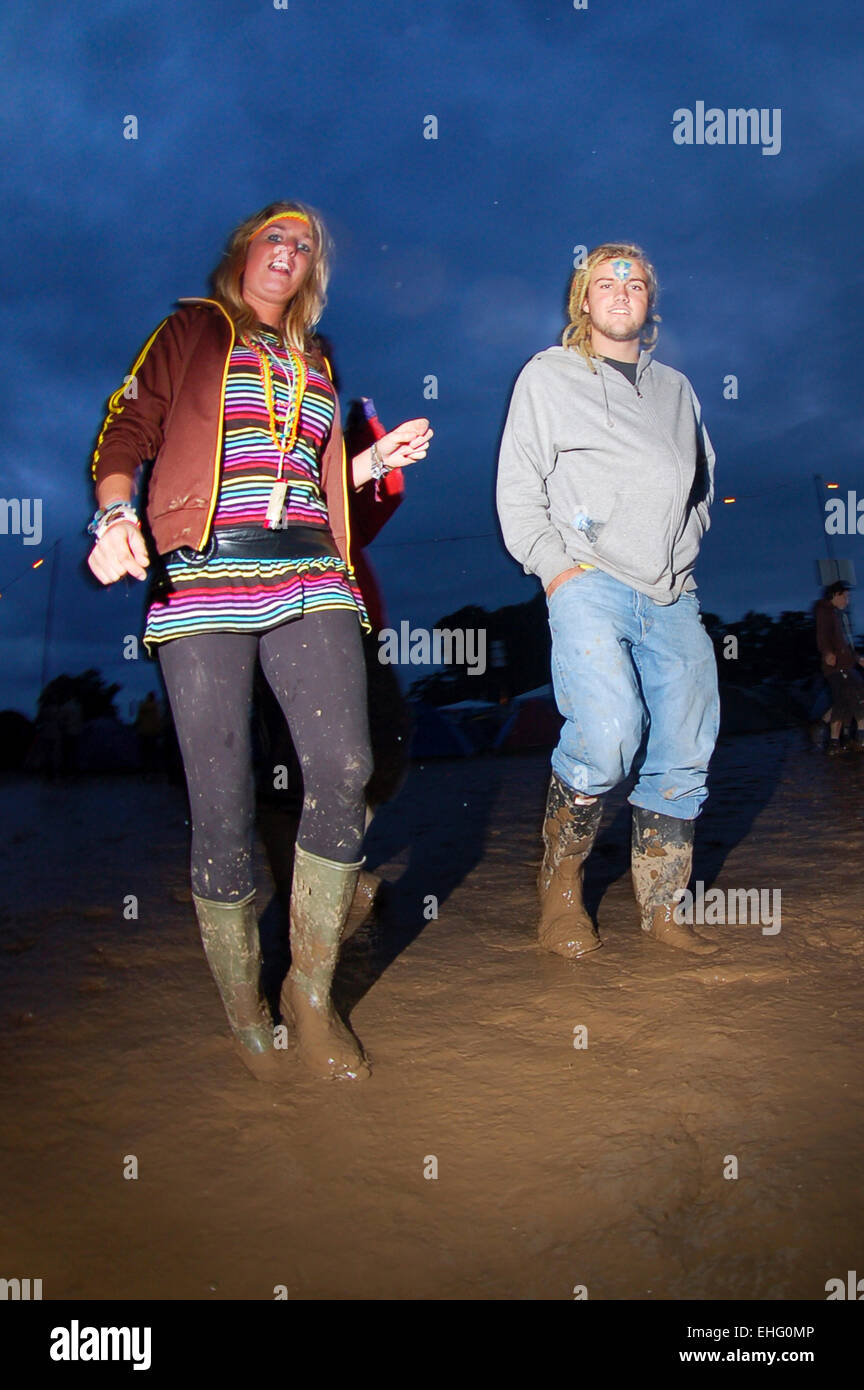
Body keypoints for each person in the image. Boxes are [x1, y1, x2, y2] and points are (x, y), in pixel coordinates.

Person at [87, 201, 432, 1081]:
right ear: (244, 252)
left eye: (305, 243)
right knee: (223, 799)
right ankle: (247, 1017)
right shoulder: (193, 331)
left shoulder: (316, 357)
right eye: (274, 237)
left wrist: (366, 461)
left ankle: (308, 999)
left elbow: (311, 477)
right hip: (202, 573)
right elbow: (127, 426)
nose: (289, 250)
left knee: (347, 766)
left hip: (309, 570)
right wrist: (118, 512)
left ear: (313, 271)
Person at [497, 242, 720, 958]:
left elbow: (702, 487)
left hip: (672, 590)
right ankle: (561, 889)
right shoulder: (548, 376)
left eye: (636, 280)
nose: (622, 289)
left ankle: (660, 907)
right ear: (583, 302)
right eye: (606, 280)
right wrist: (556, 568)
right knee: (607, 734)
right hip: (587, 576)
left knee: (687, 743)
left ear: (650, 301)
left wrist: (683, 549)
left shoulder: (678, 390)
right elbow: (518, 484)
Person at [815, 581, 864, 754]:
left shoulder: (836, 615)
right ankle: (858, 737)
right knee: (857, 696)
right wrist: (828, 653)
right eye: (845, 596)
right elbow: (822, 636)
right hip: (837, 667)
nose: (847, 600)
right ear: (835, 595)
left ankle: (834, 742)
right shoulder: (825, 611)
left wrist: (857, 658)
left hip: (843, 664)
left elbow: (845, 644)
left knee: (842, 702)